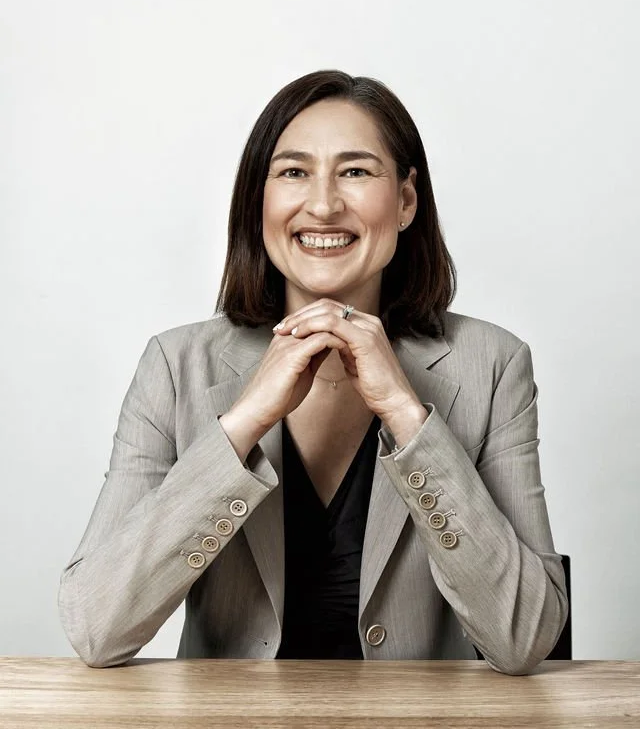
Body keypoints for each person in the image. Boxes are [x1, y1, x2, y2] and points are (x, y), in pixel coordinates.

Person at [58, 69, 568, 673]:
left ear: (406, 200)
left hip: (417, 718)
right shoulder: (175, 366)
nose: (323, 205)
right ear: (259, 200)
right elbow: (96, 629)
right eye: (294, 173)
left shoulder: (494, 365)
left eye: (356, 172)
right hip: (229, 719)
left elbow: (525, 639)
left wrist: (408, 416)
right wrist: (243, 422)